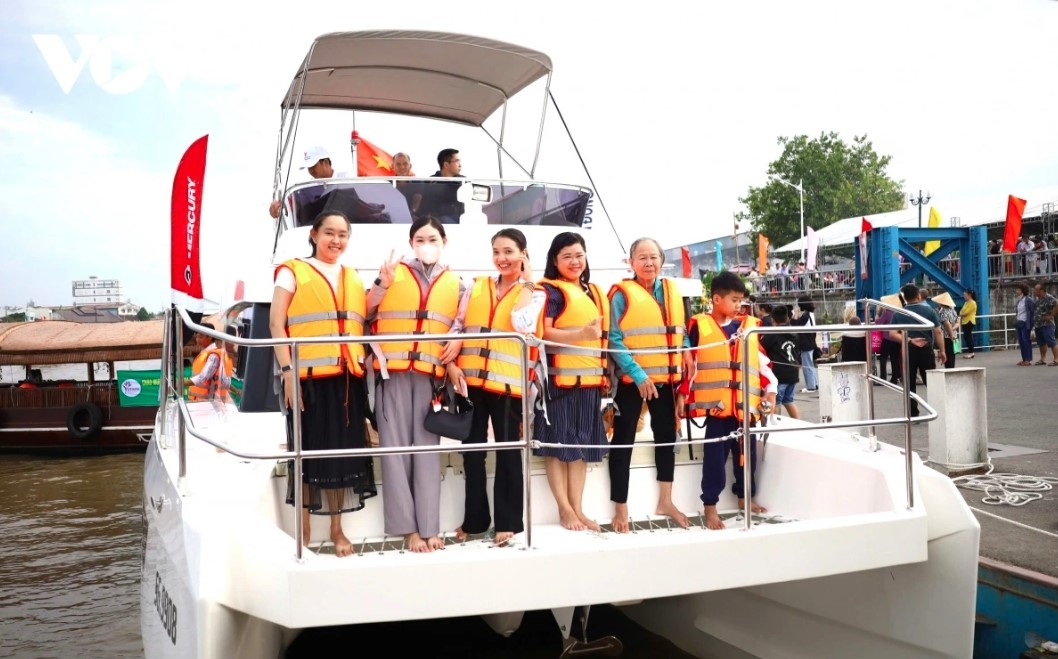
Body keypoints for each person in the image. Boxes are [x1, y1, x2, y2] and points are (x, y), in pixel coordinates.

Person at [269, 210, 377, 557]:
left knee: (343, 457)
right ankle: (303, 529)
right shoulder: (292, 271)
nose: (336, 240)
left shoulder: (353, 276)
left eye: (343, 234)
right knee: (307, 455)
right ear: (314, 234)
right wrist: (288, 373)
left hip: (348, 379)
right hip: (307, 379)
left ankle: (336, 529)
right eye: (329, 233)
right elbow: (275, 325)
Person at [368, 216, 466, 553]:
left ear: (444, 242)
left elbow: (459, 324)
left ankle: (430, 527)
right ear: (412, 243)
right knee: (395, 452)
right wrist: (383, 283)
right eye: (421, 238)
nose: (427, 244)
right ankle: (408, 530)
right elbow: (365, 311)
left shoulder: (458, 284)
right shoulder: (391, 274)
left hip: (430, 376)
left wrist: (452, 351)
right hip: (391, 374)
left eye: (433, 238)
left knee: (426, 453)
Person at [446, 228, 540, 546]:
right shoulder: (476, 286)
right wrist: (451, 362)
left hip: (506, 385)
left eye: (509, 252)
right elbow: (459, 324)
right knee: (473, 453)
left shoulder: (534, 292)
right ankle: (475, 521)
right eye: (497, 252)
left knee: (508, 454)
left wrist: (526, 282)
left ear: (523, 254)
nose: (502, 258)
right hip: (470, 381)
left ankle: (509, 521)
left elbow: (522, 324)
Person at [606, 238, 694, 533]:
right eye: (642, 257)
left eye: (654, 257)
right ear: (630, 263)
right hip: (633, 381)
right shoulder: (620, 295)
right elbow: (613, 340)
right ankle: (621, 507)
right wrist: (639, 375)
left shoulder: (671, 290)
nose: (648, 263)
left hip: (667, 380)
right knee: (623, 439)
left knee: (666, 436)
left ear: (661, 260)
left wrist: (685, 350)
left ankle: (666, 501)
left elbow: (679, 331)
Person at [683, 272, 777, 530]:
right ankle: (710, 508)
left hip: (746, 408)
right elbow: (688, 366)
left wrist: (771, 392)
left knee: (747, 458)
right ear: (716, 299)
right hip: (718, 410)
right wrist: (681, 397)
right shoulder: (698, 326)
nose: (739, 305)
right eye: (734, 300)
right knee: (713, 460)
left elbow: (763, 365)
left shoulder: (749, 327)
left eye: (741, 301)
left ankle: (744, 498)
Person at [534, 232, 609, 532]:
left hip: (589, 381)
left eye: (579, 255)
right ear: (555, 260)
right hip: (559, 382)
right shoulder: (550, 292)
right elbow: (544, 333)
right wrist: (580, 336)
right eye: (567, 256)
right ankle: (564, 510)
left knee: (581, 445)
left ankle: (578, 508)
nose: (575, 261)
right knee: (557, 445)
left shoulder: (593, 292)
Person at [888, 284, 945, 419]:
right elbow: (937, 331)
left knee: (909, 383)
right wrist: (942, 350)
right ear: (919, 295)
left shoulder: (899, 313)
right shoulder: (930, 311)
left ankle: (912, 413)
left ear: (905, 298)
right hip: (926, 348)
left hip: (908, 350)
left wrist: (909, 340)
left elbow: (892, 334)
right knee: (931, 381)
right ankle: (937, 410)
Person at [269, 146, 348, 219]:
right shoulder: (308, 188)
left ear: (325, 162)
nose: (311, 170)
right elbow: (290, 203)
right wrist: (277, 206)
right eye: (308, 168)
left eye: (313, 166)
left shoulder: (346, 178)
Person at [759, 305, 800, 419]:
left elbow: (760, 348)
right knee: (789, 400)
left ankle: (776, 427)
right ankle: (799, 425)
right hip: (793, 370)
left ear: (772, 319)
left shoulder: (773, 334)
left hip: (779, 374)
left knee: (776, 402)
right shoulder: (794, 332)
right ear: (787, 318)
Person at [187, 322, 233, 402]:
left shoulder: (213, 356)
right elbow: (225, 381)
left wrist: (179, 384)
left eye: (201, 337)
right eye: (196, 336)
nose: (197, 340)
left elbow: (202, 378)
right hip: (200, 401)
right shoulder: (206, 353)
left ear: (210, 337)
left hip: (206, 403)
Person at [418, 148, 465, 224]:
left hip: (460, 221)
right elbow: (423, 208)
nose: (460, 165)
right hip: (436, 222)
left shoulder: (464, 182)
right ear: (446, 164)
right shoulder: (429, 182)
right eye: (457, 161)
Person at [791, 296, 818, 392]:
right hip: (810, 342)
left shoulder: (806, 315)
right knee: (810, 364)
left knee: (807, 366)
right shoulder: (810, 314)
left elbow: (795, 325)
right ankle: (814, 384)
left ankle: (811, 387)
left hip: (806, 343)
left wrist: (795, 315)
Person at [876, 293, 904, 384]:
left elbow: (878, 323)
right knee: (894, 359)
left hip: (887, 338)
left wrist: (877, 315)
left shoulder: (887, 313)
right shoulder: (899, 313)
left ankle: (883, 378)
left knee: (883, 358)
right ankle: (894, 378)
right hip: (897, 339)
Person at [1032, 282, 1058, 365]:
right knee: (1041, 343)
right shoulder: (1039, 299)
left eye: (1036, 290)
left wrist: (1051, 315)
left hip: (1047, 324)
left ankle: (1056, 359)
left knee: (1051, 342)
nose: (1034, 291)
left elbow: (1057, 305)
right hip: (1038, 324)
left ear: (1042, 290)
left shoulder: (1049, 298)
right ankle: (1042, 359)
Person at [932, 292, 960, 369]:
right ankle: (952, 368)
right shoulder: (953, 311)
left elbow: (946, 324)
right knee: (952, 355)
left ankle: (948, 369)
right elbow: (958, 323)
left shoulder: (943, 312)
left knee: (947, 354)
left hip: (946, 336)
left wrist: (950, 334)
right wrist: (953, 330)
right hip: (954, 335)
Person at [393, 152, 423, 216]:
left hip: (413, 221)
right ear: (393, 166)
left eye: (405, 164)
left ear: (410, 166)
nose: (402, 167)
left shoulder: (418, 184)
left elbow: (418, 207)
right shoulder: (386, 184)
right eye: (398, 164)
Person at [1014, 283, 1036, 366]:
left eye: (1018, 289)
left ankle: (1028, 359)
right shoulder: (1019, 300)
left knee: (1026, 341)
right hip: (1019, 322)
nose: (1017, 291)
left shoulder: (1028, 300)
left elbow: (1033, 311)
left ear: (1022, 290)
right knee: (1021, 341)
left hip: (1025, 323)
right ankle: (1024, 359)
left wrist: (1032, 324)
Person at [959, 289, 978, 359]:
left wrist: (961, 313)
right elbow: (961, 311)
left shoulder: (973, 303)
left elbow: (965, 313)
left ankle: (971, 352)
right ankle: (970, 351)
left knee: (968, 337)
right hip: (965, 321)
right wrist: (961, 313)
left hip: (969, 321)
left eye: (965, 295)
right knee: (967, 337)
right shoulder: (966, 302)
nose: (964, 296)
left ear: (969, 295)